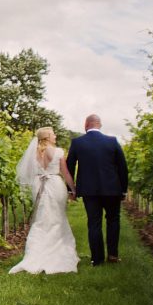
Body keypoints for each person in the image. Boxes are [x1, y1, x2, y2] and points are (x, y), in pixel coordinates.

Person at [9, 126, 79, 274]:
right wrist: (73, 188)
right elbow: (65, 172)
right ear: (47, 137)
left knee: (41, 219)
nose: (55, 136)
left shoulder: (33, 154)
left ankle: (35, 255)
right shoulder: (58, 152)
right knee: (57, 218)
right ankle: (57, 252)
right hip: (55, 185)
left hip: (39, 185)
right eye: (53, 134)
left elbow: (29, 172)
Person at [66, 114, 128, 266]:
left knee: (94, 223)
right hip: (112, 189)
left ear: (86, 125)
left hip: (89, 190)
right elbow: (123, 167)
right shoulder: (112, 141)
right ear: (100, 125)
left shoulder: (77, 143)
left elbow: (69, 166)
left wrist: (71, 190)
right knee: (113, 220)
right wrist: (123, 189)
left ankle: (97, 259)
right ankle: (113, 255)